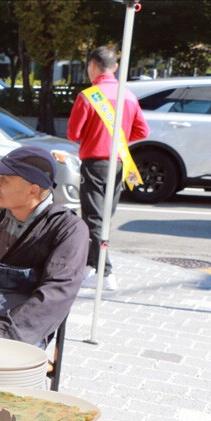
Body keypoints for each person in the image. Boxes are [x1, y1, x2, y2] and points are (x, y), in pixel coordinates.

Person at [0, 147, 90, 347]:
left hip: (19, 334)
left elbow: (57, 292)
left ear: (33, 190)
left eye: (6, 179)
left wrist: (1, 334)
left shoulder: (68, 229)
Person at [67, 46, 149, 291]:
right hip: (119, 163)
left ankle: (105, 272)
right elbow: (142, 131)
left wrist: (96, 136)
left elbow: (73, 134)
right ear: (115, 67)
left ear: (92, 65)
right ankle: (92, 265)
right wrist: (117, 138)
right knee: (103, 218)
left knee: (93, 218)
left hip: (94, 163)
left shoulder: (88, 96)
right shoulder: (129, 96)